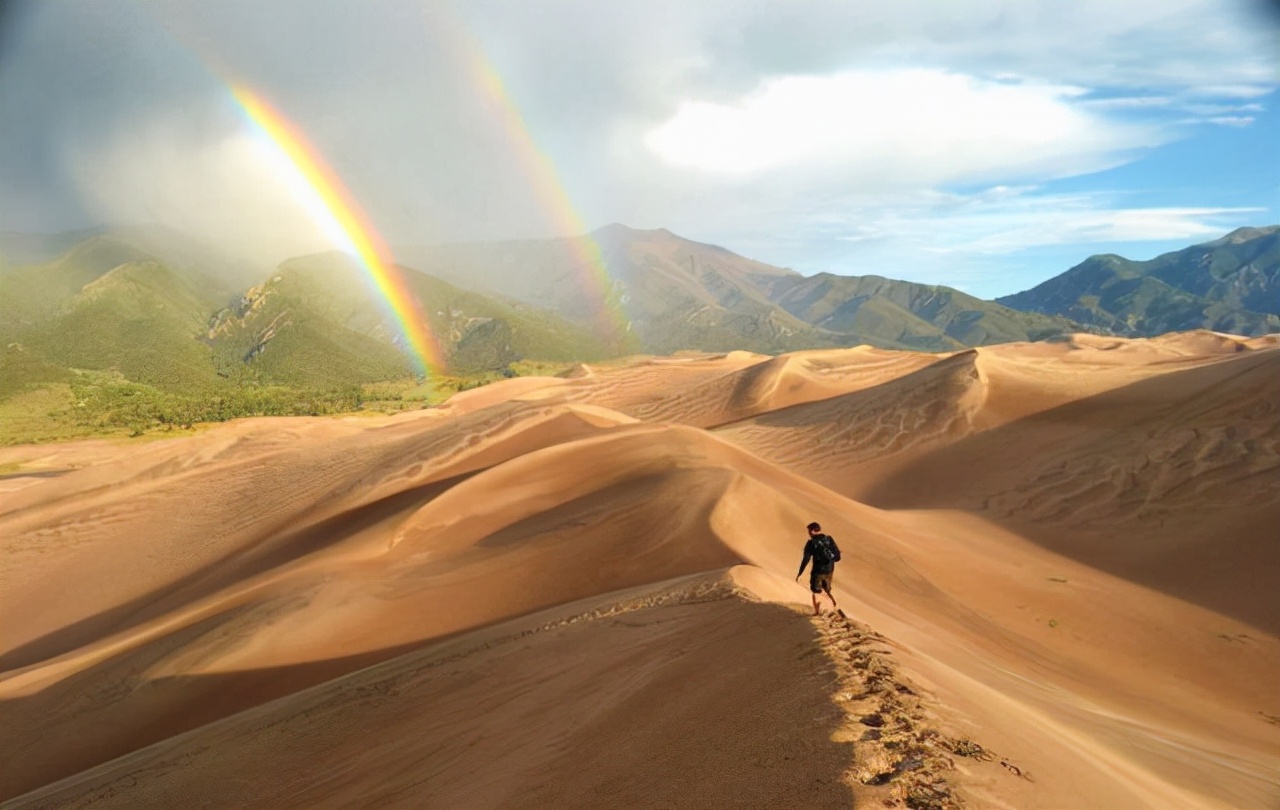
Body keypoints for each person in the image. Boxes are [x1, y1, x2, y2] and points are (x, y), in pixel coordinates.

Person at [795, 521, 841, 616]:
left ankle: (817, 611)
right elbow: (837, 555)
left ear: (812, 531)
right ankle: (835, 605)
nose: (808, 533)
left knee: (816, 591)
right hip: (829, 570)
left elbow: (806, 559)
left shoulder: (811, 543)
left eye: (809, 531)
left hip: (818, 571)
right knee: (827, 590)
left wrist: (800, 573)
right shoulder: (829, 539)